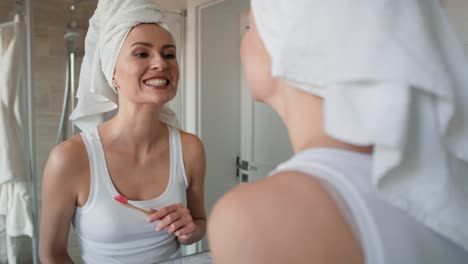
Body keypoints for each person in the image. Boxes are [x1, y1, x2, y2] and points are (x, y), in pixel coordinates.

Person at [208, 0, 468, 263]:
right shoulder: (446, 181)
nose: (242, 45)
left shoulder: (256, 218)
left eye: (250, 27)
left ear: (291, 42)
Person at [39, 1, 206, 263]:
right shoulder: (70, 159)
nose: (160, 63)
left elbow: (199, 224)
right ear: (112, 73)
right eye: (142, 54)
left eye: (169, 54)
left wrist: (188, 230)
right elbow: (52, 254)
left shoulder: (190, 148)